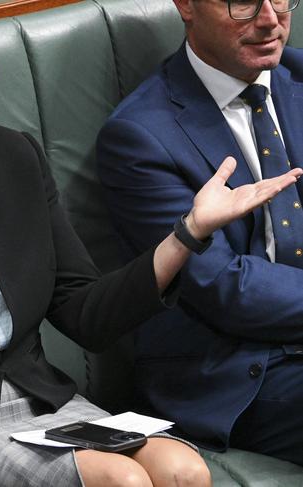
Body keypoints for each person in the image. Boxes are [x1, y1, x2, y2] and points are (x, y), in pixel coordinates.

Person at [0, 0, 301, 485]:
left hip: (40, 402)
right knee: (119, 480)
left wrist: (188, 233)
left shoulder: (13, 155)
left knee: (183, 471)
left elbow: (86, 314)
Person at [97, 0, 303, 467]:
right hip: (245, 371)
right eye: (243, 2)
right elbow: (223, 286)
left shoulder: (299, 76)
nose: (271, 18)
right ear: (186, 5)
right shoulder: (140, 135)